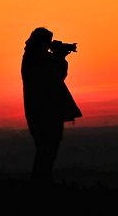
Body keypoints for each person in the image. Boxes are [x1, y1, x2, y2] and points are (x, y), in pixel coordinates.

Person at [21, 27, 81, 183]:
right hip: (45, 113)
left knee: (47, 151)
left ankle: (42, 181)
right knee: (46, 151)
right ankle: (42, 183)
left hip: (43, 112)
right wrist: (60, 57)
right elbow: (56, 76)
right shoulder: (37, 60)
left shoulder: (35, 58)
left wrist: (59, 56)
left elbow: (57, 75)